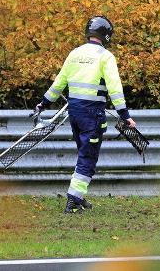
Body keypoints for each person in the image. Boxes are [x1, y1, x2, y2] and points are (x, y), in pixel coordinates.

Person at [36, 16, 136, 213]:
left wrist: (44, 103)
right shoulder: (105, 57)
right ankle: (73, 200)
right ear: (106, 35)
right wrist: (125, 115)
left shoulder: (74, 53)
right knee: (88, 158)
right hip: (93, 114)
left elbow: (59, 82)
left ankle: (78, 197)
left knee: (83, 153)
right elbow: (115, 89)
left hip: (74, 113)